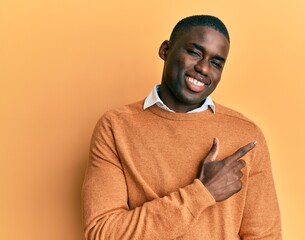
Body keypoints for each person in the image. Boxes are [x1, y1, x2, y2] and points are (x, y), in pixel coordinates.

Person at [82, 15, 281, 239]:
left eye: (216, 63)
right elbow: (103, 233)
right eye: (195, 52)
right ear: (165, 50)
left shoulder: (245, 134)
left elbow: (264, 236)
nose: (204, 68)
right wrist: (202, 193)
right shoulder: (116, 127)